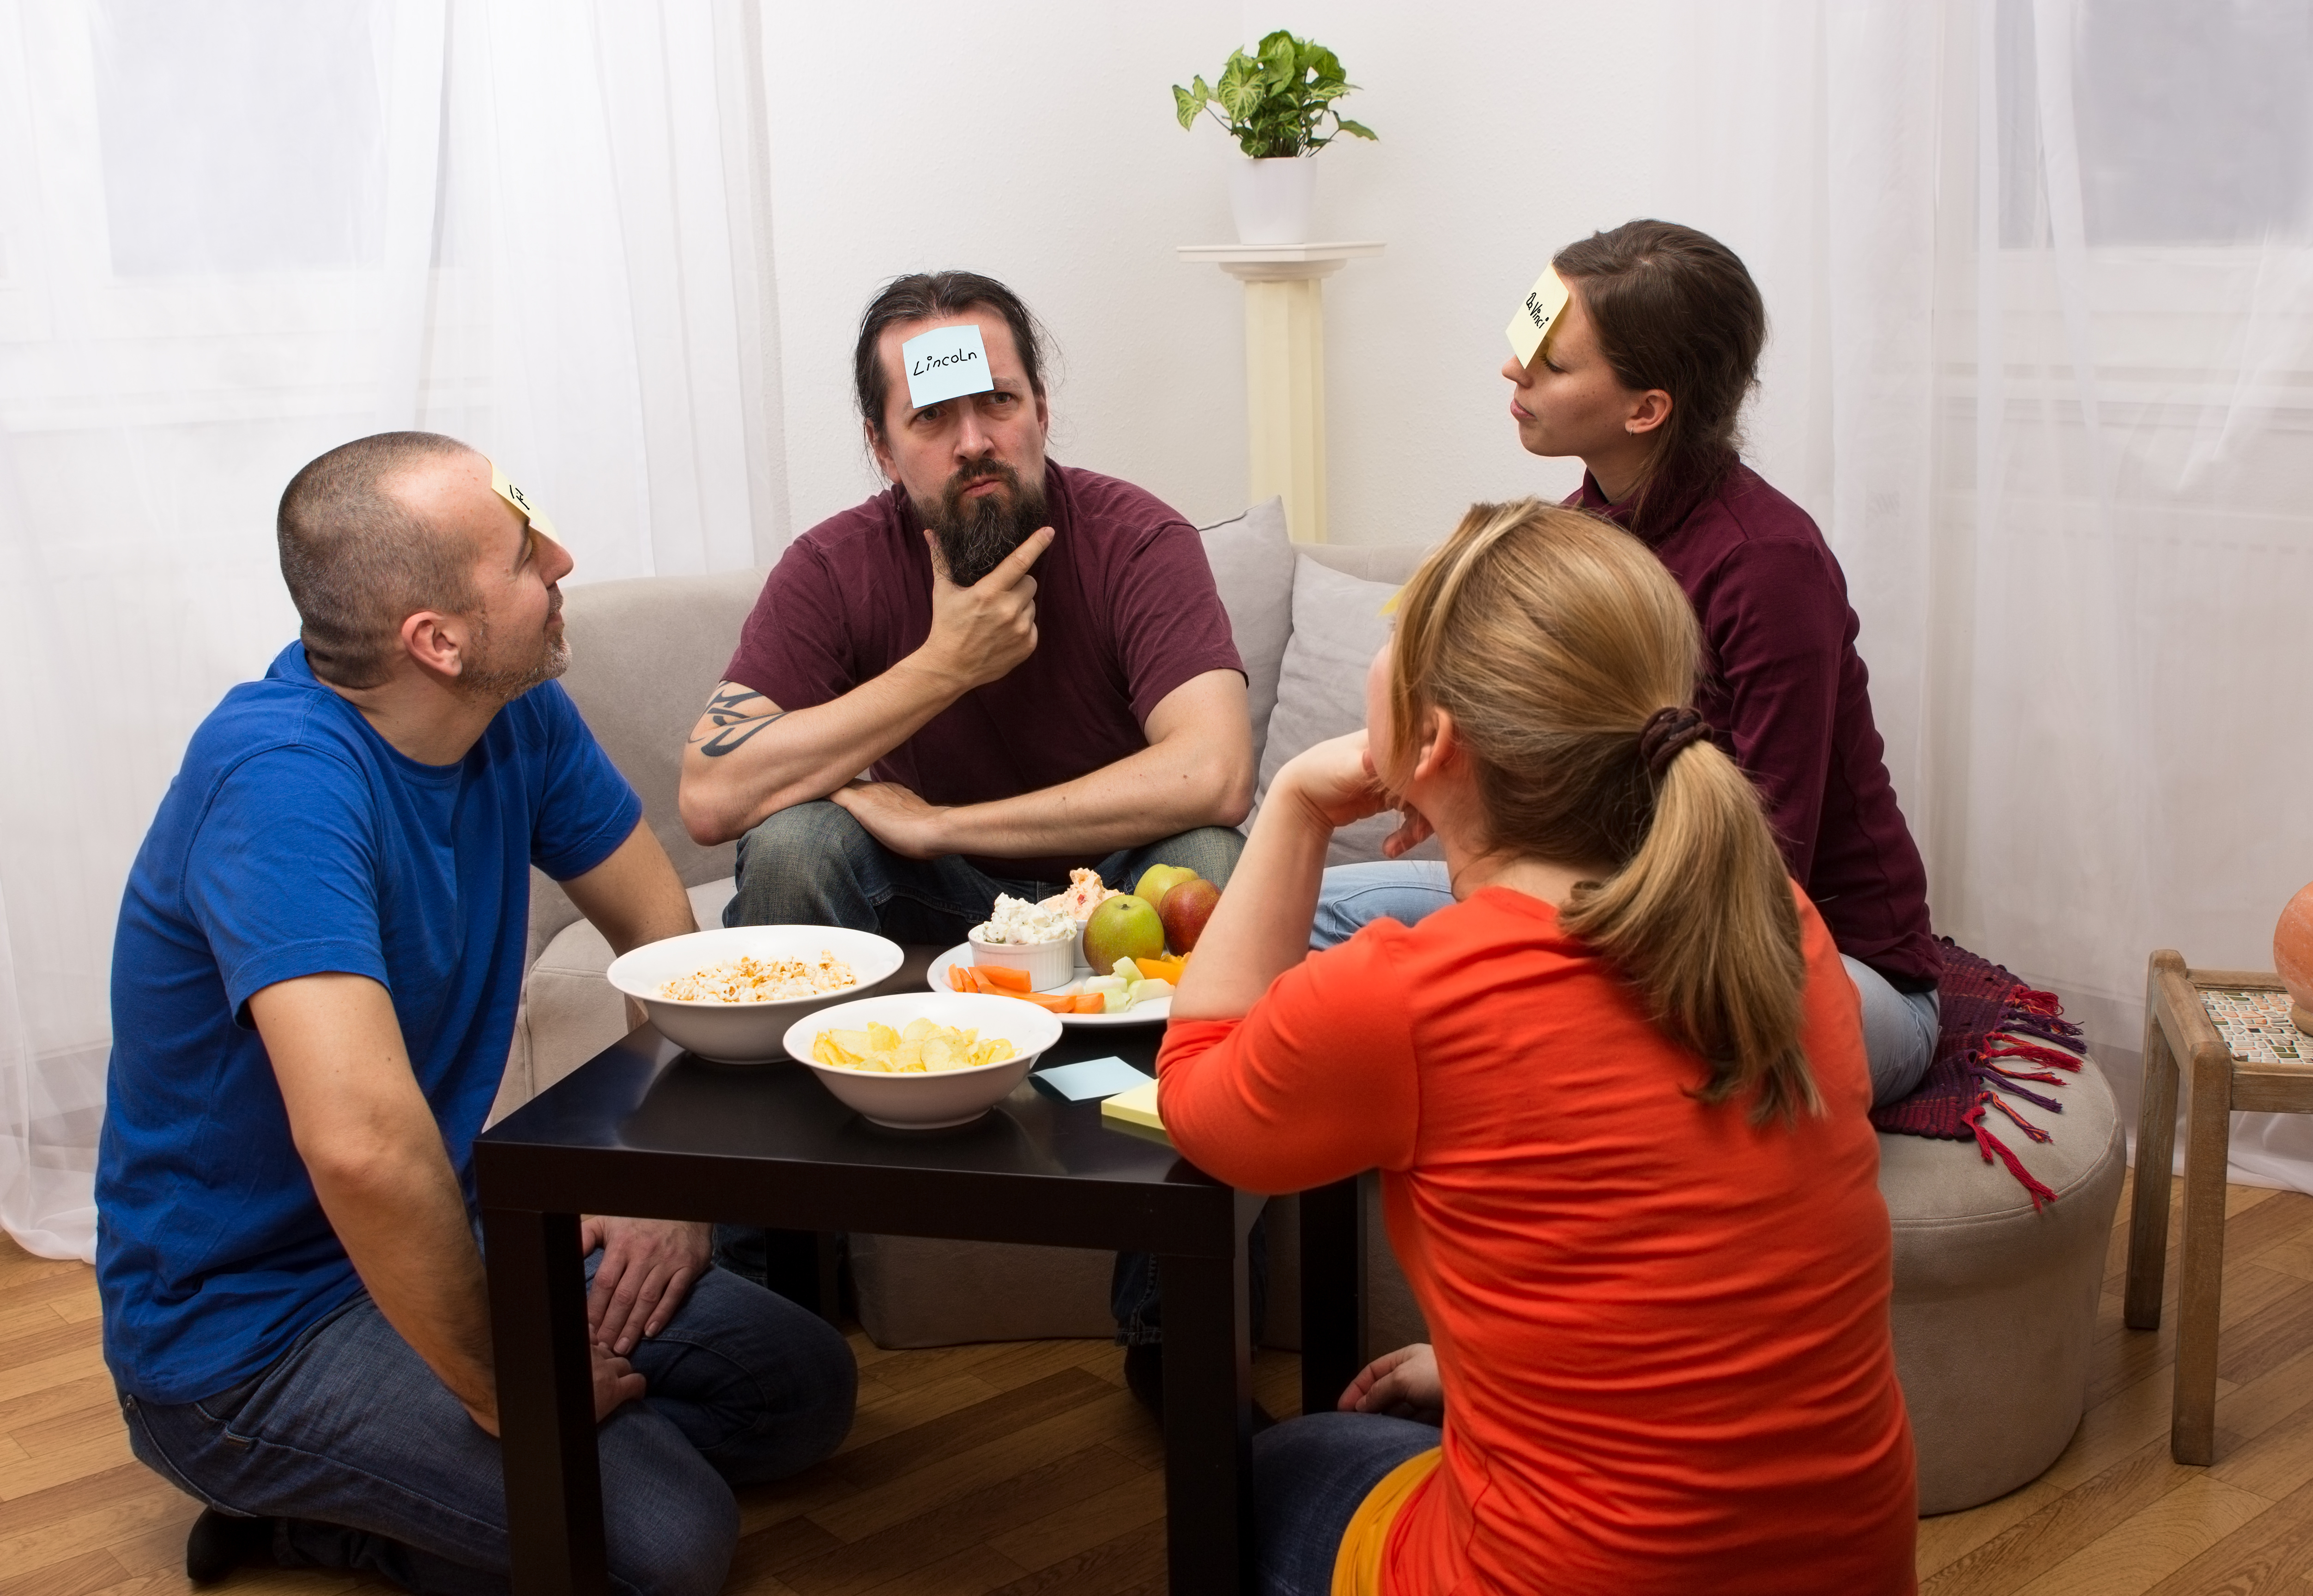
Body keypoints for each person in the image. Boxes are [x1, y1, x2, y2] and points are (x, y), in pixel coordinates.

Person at [97, 434, 856, 1594]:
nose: (561, 559)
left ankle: (447, 1485)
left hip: (446, 1230)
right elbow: (361, 1148)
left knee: (799, 1390)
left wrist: (658, 1180)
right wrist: (509, 1383)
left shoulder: (514, 712)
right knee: (668, 1543)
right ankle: (294, 1501)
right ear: (436, 642)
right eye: (521, 555)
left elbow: (670, 957)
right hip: (249, 1336)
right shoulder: (280, 785)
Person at [1163, 499, 1918, 1595]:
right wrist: (1486, 1375)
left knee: (1276, 1465)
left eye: (1391, 637)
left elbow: (1200, 1095)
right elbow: (1667, 1248)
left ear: (1434, 741)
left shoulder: (1412, 993)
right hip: (1853, 1569)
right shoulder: (1784, 925)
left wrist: (1294, 806)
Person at [1316, 220, 1942, 1106]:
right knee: (1318, 914)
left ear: (1646, 409)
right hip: (1615, 905)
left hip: (1812, 962)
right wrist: (1448, 795)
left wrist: (1525, 926)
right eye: (1526, 343)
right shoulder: (1578, 533)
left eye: (1554, 362)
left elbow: (1769, 881)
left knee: (1549, 1018)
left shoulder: (1770, 565)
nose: (1513, 371)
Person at [678, 268, 1254, 942]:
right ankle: (799, 1053)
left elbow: (1215, 774)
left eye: (998, 402)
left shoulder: (1140, 541)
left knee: (1209, 860)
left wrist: (940, 825)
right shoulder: (833, 567)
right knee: (793, 845)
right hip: (929, 892)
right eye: (932, 416)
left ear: (1041, 410)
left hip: (1111, 885)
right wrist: (946, 665)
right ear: (882, 449)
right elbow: (711, 796)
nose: (974, 442)